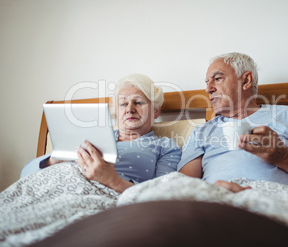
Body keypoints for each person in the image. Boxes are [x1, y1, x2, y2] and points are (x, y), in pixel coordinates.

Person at [178, 52, 288, 200]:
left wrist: (284, 157)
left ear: (246, 80)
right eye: (207, 82)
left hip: (281, 208)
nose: (208, 89)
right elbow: (181, 191)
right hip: (219, 208)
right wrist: (213, 195)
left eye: (217, 78)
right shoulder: (202, 131)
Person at [20, 74, 181, 193]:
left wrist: (112, 180)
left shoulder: (165, 147)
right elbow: (25, 175)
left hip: (97, 198)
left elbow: (163, 196)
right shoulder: (90, 135)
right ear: (116, 111)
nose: (129, 109)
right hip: (51, 190)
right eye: (123, 103)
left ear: (156, 111)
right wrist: (54, 160)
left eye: (138, 102)